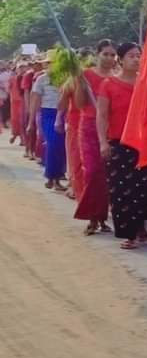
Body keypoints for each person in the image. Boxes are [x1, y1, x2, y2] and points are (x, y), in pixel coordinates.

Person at [98, 42, 147, 250]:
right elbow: (102, 115)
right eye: (131, 55)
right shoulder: (109, 84)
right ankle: (128, 233)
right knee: (122, 189)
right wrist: (103, 141)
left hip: (143, 144)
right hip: (119, 143)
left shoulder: (146, 83)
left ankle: (140, 225)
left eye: (139, 55)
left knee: (144, 187)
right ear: (120, 59)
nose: (136, 59)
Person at [74, 40, 117, 234]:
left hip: (111, 129)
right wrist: (81, 86)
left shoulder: (117, 77)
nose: (109, 58)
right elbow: (79, 103)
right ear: (97, 54)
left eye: (112, 54)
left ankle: (101, 217)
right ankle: (92, 216)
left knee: (106, 175)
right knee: (91, 172)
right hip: (89, 127)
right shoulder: (86, 75)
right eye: (105, 54)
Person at [31, 63, 66, 191]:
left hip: (64, 114)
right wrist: (32, 121)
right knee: (53, 144)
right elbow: (35, 99)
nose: (50, 66)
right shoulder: (41, 79)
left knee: (61, 146)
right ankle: (51, 176)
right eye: (48, 64)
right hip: (48, 114)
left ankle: (57, 177)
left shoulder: (66, 78)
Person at [56, 72, 84, 201]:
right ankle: (74, 186)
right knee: (74, 158)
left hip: (92, 125)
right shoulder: (72, 81)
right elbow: (61, 105)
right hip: (74, 124)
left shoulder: (105, 78)